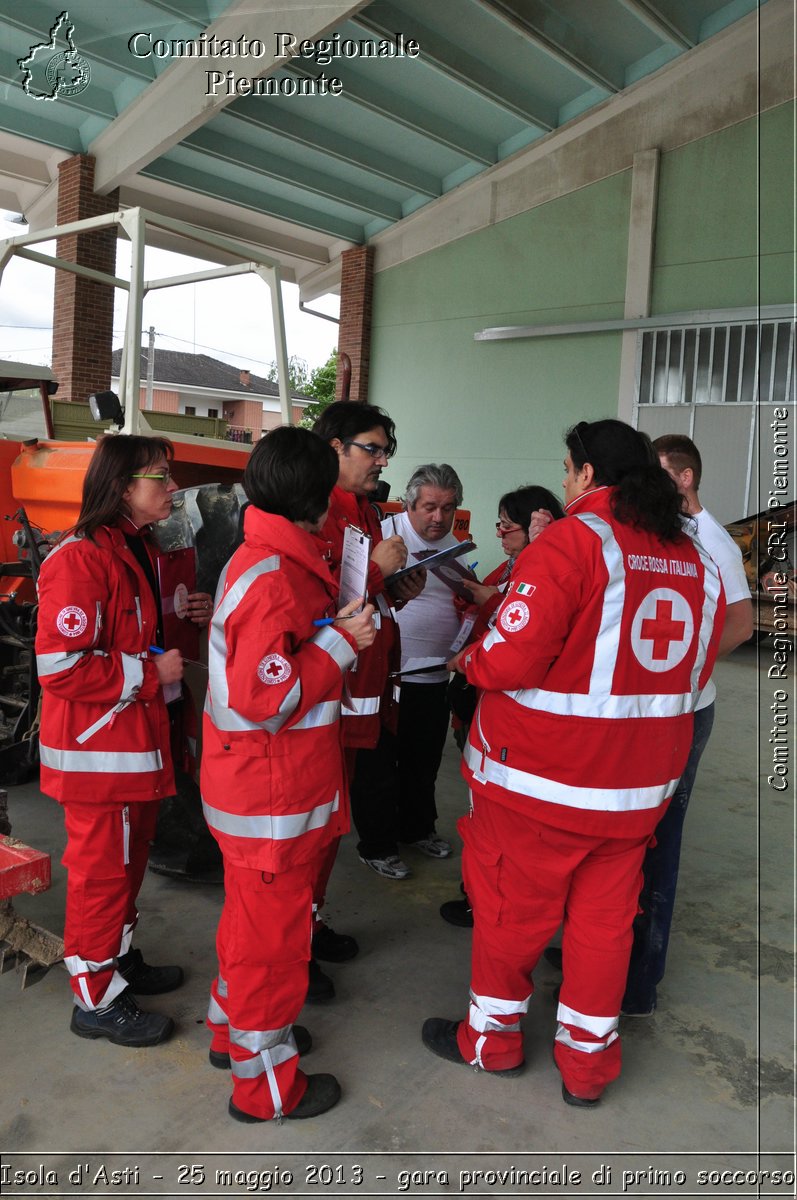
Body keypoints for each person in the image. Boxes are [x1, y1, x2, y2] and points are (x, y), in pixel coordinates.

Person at [422, 419, 726, 1106]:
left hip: (542, 783)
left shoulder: (570, 542)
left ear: (588, 475)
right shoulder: (694, 558)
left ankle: (491, 1043)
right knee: (602, 927)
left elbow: (511, 656)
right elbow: (694, 669)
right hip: (637, 793)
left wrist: (471, 658)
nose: (563, 480)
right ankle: (587, 1067)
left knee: (509, 915)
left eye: (567, 468)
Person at [201, 426, 376, 1123]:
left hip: (265, 788)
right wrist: (340, 641)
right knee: (272, 948)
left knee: (251, 928)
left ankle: (229, 1031)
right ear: (316, 496)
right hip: (269, 795)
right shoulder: (273, 575)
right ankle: (266, 1087)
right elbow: (265, 696)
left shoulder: (277, 559)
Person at [34, 434, 210, 1047]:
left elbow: (137, 631)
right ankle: (95, 998)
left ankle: (117, 959)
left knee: (127, 867)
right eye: (159, 476)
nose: (171, 487)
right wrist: (146, 675)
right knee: (101, 876)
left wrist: (189, 614)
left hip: (132, 749)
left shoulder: (135, 549)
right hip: (98, 757)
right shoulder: (80, 560)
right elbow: (60, 669)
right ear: (121, 487)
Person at [621, 433, 753, 1015]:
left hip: (684, 710)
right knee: (627, 837)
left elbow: (742, 624)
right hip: (656, 709)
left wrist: (685, 676)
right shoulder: (664, 534)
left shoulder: (712, 541)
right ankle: (608, 949)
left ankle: (639, 981)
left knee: (659, 843)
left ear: (684, 479)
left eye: (657, 472)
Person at [310, 402, 425, 961]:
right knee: (313, 822)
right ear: (335, 447)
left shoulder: (364, 508)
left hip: (360, 685)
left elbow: (361, 591)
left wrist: (394, 586)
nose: (382, 461)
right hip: (324, 688)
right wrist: (377, 570)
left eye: (386, 451)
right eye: (372, 449)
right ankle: (296, 937)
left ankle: (311, 917)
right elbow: (316, 599)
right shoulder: (312, 511)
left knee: (333, 819)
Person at [440, 484, 565, 927]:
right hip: (479, 699)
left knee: (500, 819)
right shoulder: (514, 566)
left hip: (505, 710)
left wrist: (485, 603)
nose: (501, 533)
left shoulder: (544, 573)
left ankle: (488, 899)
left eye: (508, 526)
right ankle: (480, 891)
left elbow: (519, 640)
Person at [351, 464, 467, 878]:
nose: (439, 518)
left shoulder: (454, 545)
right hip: (385, 677)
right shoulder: (383, 539)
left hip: (434, 676)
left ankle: (417, 829)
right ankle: (377, 845)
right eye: (430, 507)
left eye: (448, 508)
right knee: (378, 767)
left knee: (424, 761)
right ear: (409, 505)